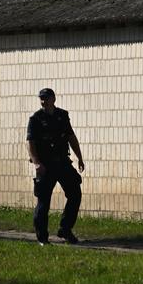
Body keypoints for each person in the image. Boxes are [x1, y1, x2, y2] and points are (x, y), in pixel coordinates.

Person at [27, 88, 85, 245]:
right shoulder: (36, 119)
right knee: (43, 201)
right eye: (41, 99)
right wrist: (37, 163)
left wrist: (79, 157)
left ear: (53, 99)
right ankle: (42, 238)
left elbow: (71, 137)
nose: (43, 101)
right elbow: (30, 144)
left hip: (62, 162)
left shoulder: (62, 116)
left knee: (75, 193)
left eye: (46, 98)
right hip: (45, 165)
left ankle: (65, 229)